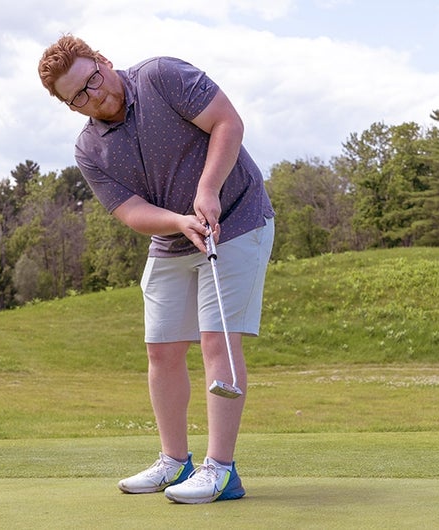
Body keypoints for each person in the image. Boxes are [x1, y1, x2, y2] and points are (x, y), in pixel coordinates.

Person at [38, 35, 275, 504]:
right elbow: (130, 211)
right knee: (161, 350)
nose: (95, 96)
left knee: (216, 340)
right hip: (172, 239)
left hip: (237, 219)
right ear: (69, 106)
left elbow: (227, 122)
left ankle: (221, 471)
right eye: (79, 97)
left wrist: (207, 191)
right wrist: (178, 221)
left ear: (104, 61)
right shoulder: (89, 148)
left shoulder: (162, 76)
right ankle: (174, 461)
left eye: (94, 79)